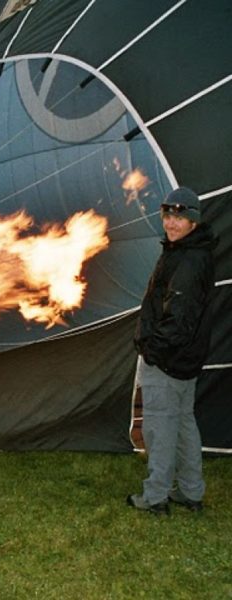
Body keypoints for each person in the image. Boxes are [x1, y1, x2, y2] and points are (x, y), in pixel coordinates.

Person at [128, 187, 217, 516]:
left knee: (159, 429)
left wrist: (152, 350)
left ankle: (156, 497)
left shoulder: (187, 259)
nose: (171, 222)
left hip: (167, 360)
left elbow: (178, 317)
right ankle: (192, 493)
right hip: (187, 361)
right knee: (182, 425)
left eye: (180, 216)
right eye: (168, 215)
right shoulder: (193, 252)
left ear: (193, 221)